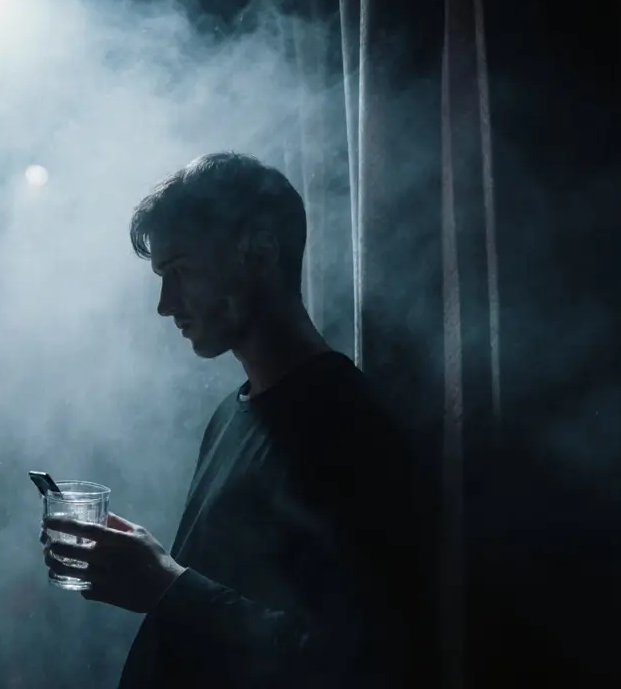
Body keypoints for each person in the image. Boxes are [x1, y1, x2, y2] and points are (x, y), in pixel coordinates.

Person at [42, 153, 423, 687]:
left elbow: (354, 660)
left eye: (179, 271)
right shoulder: (230, 415)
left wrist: (167, 587)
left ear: (261, 252)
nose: (165, 303)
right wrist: (139, 570)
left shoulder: (346, 419)